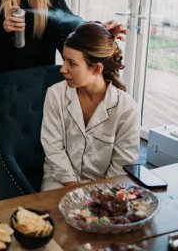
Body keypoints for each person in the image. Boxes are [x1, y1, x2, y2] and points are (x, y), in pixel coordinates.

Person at [0, 0, 127, 200]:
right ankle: (4, 201)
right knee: (7, 151)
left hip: (41, 87)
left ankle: (43, 199)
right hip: (4, 90)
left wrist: (100, 30)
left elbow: (70, 31)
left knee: (42, 146)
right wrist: (2, 30)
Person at [41, 22, 140, 190]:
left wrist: (98, 198)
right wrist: (75, 188)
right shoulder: (55, 94)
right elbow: (53, 149)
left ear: (96, 69)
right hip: (59, 182)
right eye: (64, 60)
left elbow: (121, 167)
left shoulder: (127, 109)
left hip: (104, 189)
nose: (63, 69)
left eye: (71, 63)